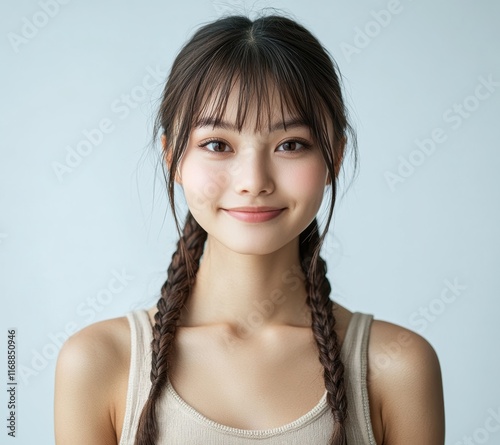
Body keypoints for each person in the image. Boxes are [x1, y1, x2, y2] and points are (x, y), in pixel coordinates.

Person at [54, 11, 445, 445]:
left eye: (290, 145)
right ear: (172, 157)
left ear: (334, 156)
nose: (254, 181)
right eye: (217, 145)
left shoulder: (397, 367)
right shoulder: (97, 362)